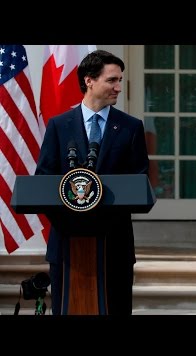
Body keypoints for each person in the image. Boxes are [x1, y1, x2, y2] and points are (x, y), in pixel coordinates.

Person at [35, 50, 149, 315]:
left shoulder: (131, 127)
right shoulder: (59, 126)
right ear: (89, 80)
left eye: (120, 80)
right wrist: (73, 222)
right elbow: (44, 181)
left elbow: (139, 180)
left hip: (114, 245)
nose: (118, 87)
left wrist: (101, 220)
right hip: (67, 243)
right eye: (111, 80)